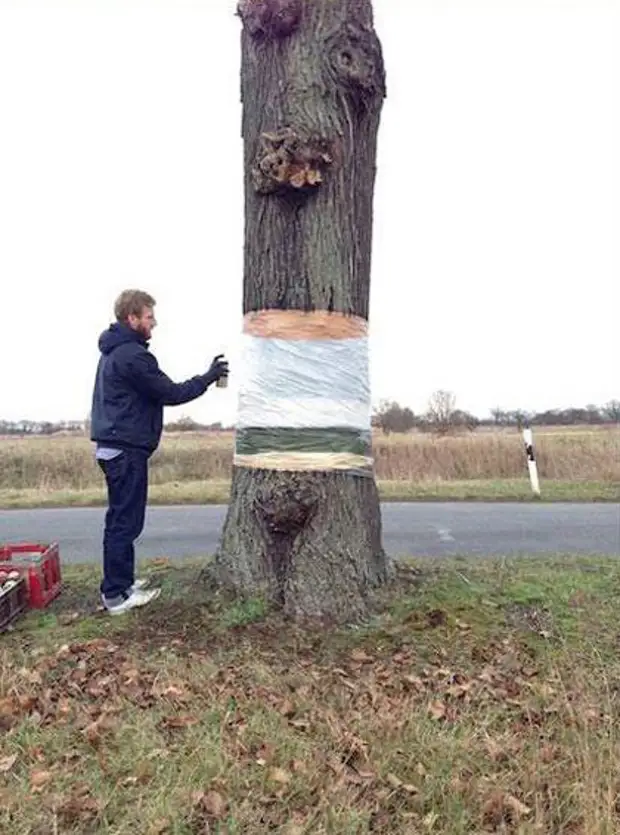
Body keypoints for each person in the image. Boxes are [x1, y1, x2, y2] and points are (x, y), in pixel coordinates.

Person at [90, 289, 229, 615]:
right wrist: (207, 377)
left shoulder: (116, 352)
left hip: (116, 447)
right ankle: (116, 596)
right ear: (132, 318)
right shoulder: (132, 356)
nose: (155, 322)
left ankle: (122, 584)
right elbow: (170, 392)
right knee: (125, 523)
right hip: (124, 450)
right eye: (149, 316)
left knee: (121, 521)